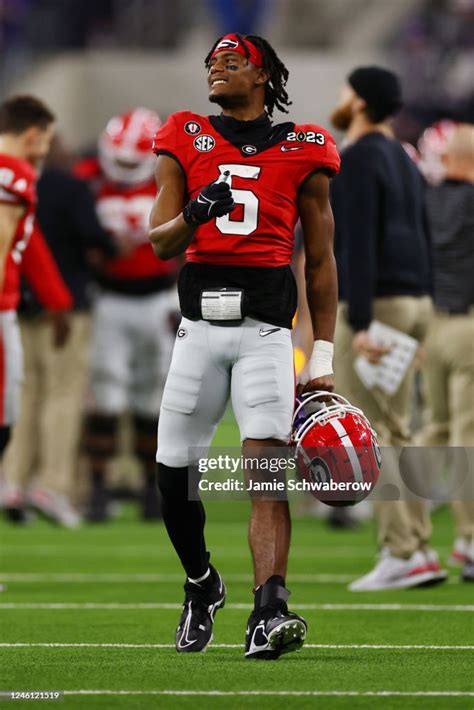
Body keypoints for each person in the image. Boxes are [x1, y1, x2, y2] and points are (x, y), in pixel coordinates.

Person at [149, 33, 340, 658]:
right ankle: (202, 583)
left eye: (231, 62)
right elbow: (161, 243)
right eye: (211, 62)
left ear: (262, 76)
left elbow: (319, 262)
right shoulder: (184, 136)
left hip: (264, 333)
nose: (216, 69)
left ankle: (269, 609)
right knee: (173, 470)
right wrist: (197, 213)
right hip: (197, 331)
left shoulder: (304, 146)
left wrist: (325, 356)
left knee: (265, 473)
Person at [329, 66, 446, 591]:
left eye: (345, 90)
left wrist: (357, 321)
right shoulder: (404, 155)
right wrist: (427, 309)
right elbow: (425, 233)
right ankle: (418, 547)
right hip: (415, 299)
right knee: (400, 429)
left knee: (371, 431)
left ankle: (400, 552)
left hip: (377, 304)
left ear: (358, 101)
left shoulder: (354, 158)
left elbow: (354, 241)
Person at [2, 136, 116, 527]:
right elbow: (94, 235)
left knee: (23, 393)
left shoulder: (11, 186)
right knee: (63, 394)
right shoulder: (69, 187)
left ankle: (12, 481)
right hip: (65, 305)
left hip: (18, 304)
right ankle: (51, 486)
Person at [76, 108, 178, 522]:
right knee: (105, 394)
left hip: (158, 298)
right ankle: (99, 488)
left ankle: (151, 488)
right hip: (109, 297)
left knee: (154, 396)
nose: (120, 168)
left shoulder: (173, 179)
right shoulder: (87, 180)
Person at [0, 95, 71, 475]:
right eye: (45, 140)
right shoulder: (12, 173)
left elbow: (30, 245)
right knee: (3, 419)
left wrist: (56, 300)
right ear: (31, 136)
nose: (46, 150)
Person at [420, 123, 474, 582]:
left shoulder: (424, 201)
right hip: (468, 325)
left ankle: (406, 537)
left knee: (432, 430)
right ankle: (470, 539)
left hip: (428, 328)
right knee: (466, 433)